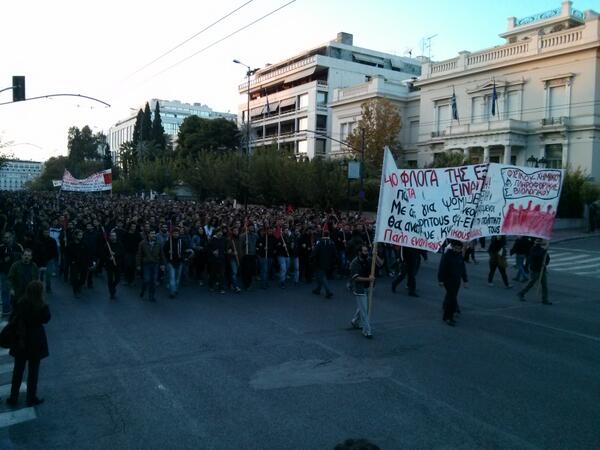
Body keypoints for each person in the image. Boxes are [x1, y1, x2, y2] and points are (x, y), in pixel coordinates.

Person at [6, 280, 51, 407]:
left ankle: (13, 397)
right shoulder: (42, 305)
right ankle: (31, 397)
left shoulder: (21, 303)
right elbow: (47, 319)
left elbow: (12, 318)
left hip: (21, 339)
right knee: (33, 371)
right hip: (36, 340)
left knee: (18, 370)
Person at [349, 245, 381, 339]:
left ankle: (355, 321)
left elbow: (380, 264)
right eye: (365, 251)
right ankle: (367, 330)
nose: (366, 253)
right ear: (359, 252)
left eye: (367, 251)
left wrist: (376, 255)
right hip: (360, 289)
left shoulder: (370, 259)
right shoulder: (354, 263)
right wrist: (368, 279)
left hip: (369, 287)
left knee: (363, 307)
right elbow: (356, 278)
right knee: (365, 310)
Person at [438, 240, 468, 326]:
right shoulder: (447, 255)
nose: (458, 250)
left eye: (460, 248)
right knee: (451, 299)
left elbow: (462, 268)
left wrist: (465, 280)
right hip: (448, 280)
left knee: (451, 298)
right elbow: (442, 268)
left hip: (457, 280)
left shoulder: (459, 256)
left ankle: (446, 316)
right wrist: (440, 280)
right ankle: (448, 317)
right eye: (457, 248)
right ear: (453, 247)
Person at [518, 238, 551, 304]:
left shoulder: (543, 250)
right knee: (531, 283)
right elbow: (536, 256)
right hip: (535, 269)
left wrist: (545, 263)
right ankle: (521, 293)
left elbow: (547, 258)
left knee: (544, 285)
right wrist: (544, 251)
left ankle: (545, 299)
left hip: (542, 269)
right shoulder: (533, 249)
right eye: (538, 243)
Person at [136, 230, 165, 302]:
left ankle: (151, 295)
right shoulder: (142, 243)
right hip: (146, 264)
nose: (154, 235)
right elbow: (139, 255)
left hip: (155, 264)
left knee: (154, 280)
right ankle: (143, 288)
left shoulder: (158, 243)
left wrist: (162, 264)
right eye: (152, 234)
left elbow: (162, 255)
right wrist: (138, 264)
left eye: (154, 233)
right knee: (146, 279)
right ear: (148, 235)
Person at [0, 232, 23, 318]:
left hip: (16, 273)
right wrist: (3, 260)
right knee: (5, 291)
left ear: (12, 237)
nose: (7, 239)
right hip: (4, 272)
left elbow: (23, 257)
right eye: (5, 237)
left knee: (16, 291)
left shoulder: (18, 246)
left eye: (8, 237)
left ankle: (15, 309)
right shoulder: (1, 248)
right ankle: (6, 310)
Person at [311, 229, 337, 299]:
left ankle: (328, 291)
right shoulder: (332, 242)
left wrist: (311, 257)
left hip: (319, 262)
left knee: (322, 276)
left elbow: (315, 251)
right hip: (328, 262)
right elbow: (335, 253)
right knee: (318, 275)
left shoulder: (319, 242)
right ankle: (318, 289)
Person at [101, 231, 124, 300]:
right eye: (112, 236)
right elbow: (103, 256)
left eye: (114, 236)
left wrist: (115, 254)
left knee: (118, 279)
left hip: (117, 264)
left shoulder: (120, 244)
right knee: (110, 279)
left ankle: (113, 287)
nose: (113, 237)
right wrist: (109, 258)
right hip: (109, 265)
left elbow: (122, 253)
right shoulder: (107, 245)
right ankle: (111, 292)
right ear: (110, 237)